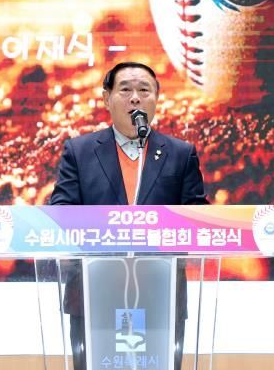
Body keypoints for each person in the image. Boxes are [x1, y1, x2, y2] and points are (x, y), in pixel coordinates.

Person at [50, 62, 209, 370]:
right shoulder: (79, 152)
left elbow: (196, 216)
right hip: (93, 292)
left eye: (144, 90)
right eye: (125, 89)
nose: (135, 97)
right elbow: (61, 213)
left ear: (157, 99)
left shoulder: (180, 154)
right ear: (106, 98)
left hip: (161, 293)